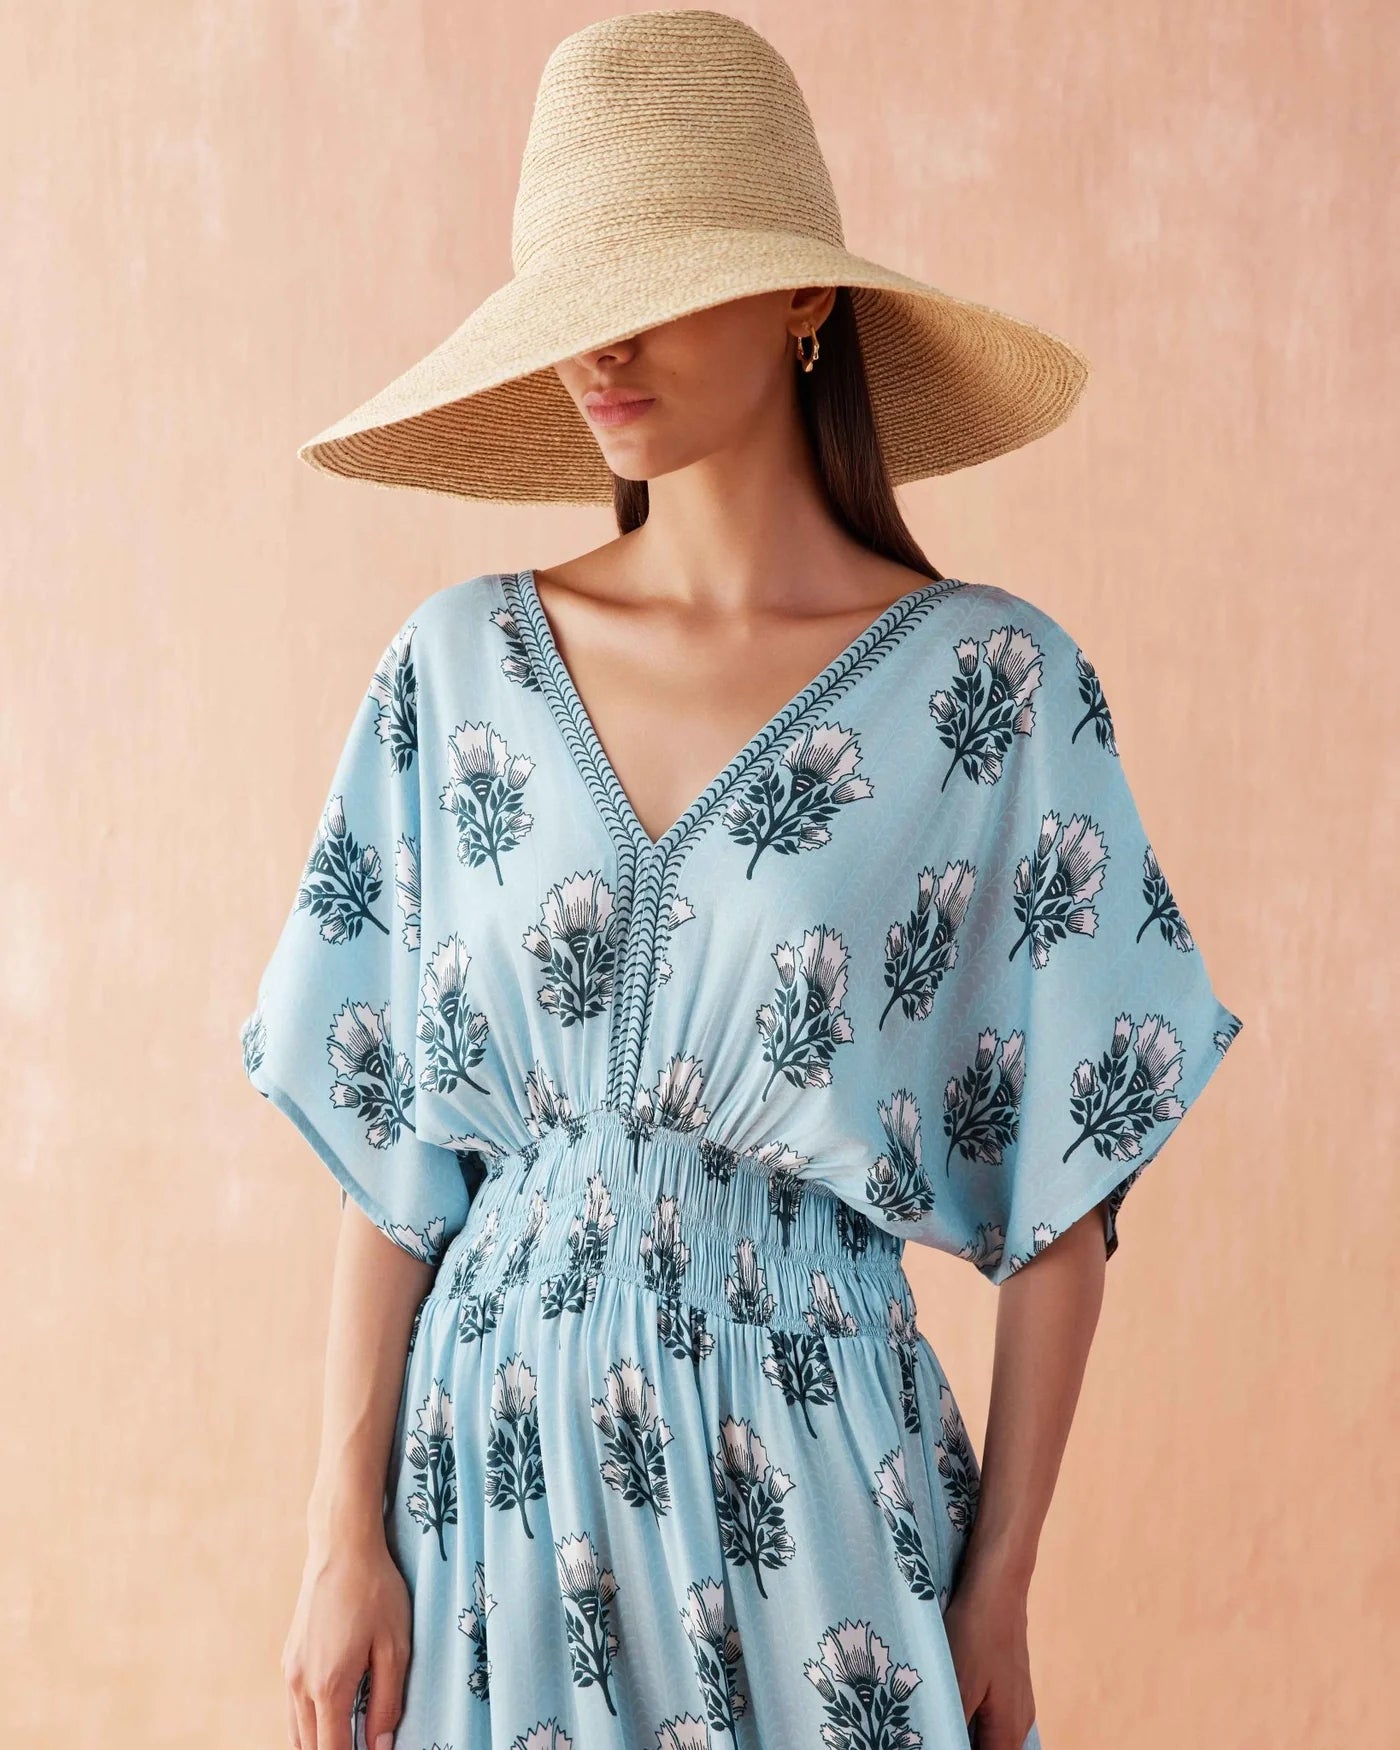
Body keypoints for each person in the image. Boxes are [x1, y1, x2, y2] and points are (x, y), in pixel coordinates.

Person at [240, 12, 1243, 1750]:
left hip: (818, 1475)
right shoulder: (456, 669)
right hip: (488, 1484)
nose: (600, 349)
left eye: (654, 286)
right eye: (570, 303)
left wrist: (1001, 1580)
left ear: (804, 297)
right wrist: (342, 1535)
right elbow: (397, 1154)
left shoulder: (989, 690)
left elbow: (1068, 1182)